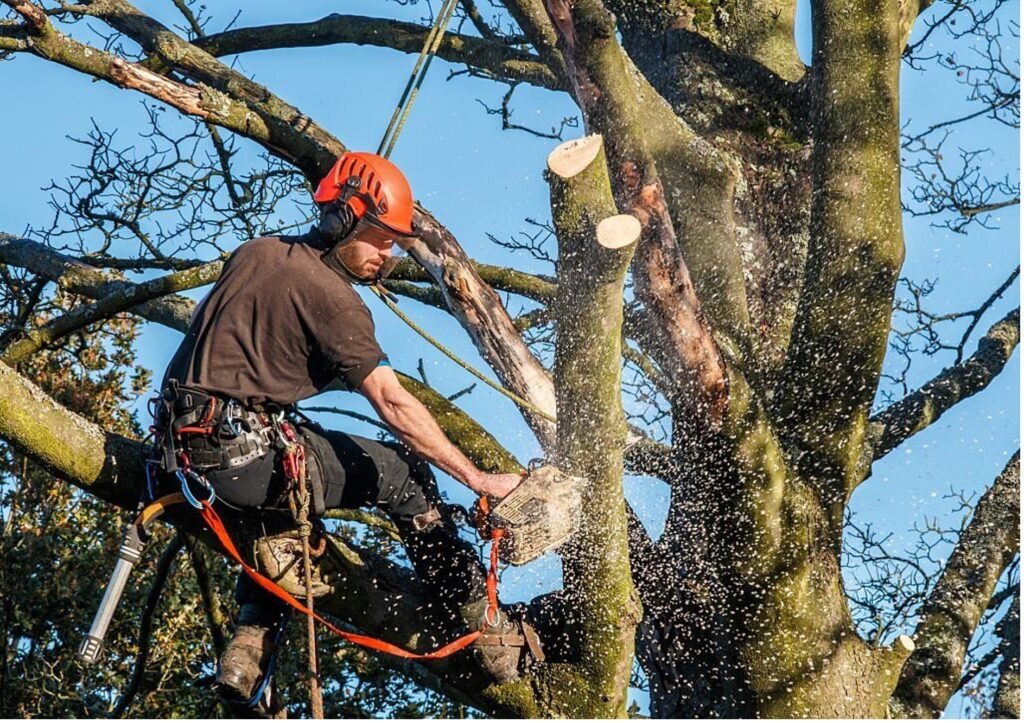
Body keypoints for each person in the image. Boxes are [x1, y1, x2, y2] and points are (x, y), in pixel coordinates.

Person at [158, 152, 538, 712]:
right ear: (343, 220)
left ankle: (248, 647)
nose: (386, 255)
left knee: (287, 509)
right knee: (402, 473)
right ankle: (480, 626)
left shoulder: (255, 254)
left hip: (181, 456)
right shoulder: (335, 301)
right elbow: (391, 400)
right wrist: (477, 478)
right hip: (241, 459)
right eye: (380, 240)